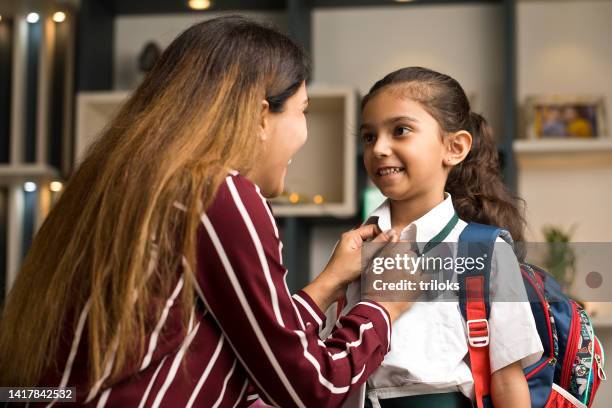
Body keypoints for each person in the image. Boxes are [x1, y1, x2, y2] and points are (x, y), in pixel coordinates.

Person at [0, 17, 414, 407]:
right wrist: (381, 305)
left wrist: (329, 282)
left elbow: (242, 341)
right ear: (258, 113)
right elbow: (310, 386)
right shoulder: (219, 193)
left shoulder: (128, 181)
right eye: (301, 111)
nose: (304, 133)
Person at [339, 67, 543, 408]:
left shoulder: (486, 250)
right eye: (369, 136)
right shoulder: (353, 248)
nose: (379, 149)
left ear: (454, 147)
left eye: (400, 130)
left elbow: (507, 378)